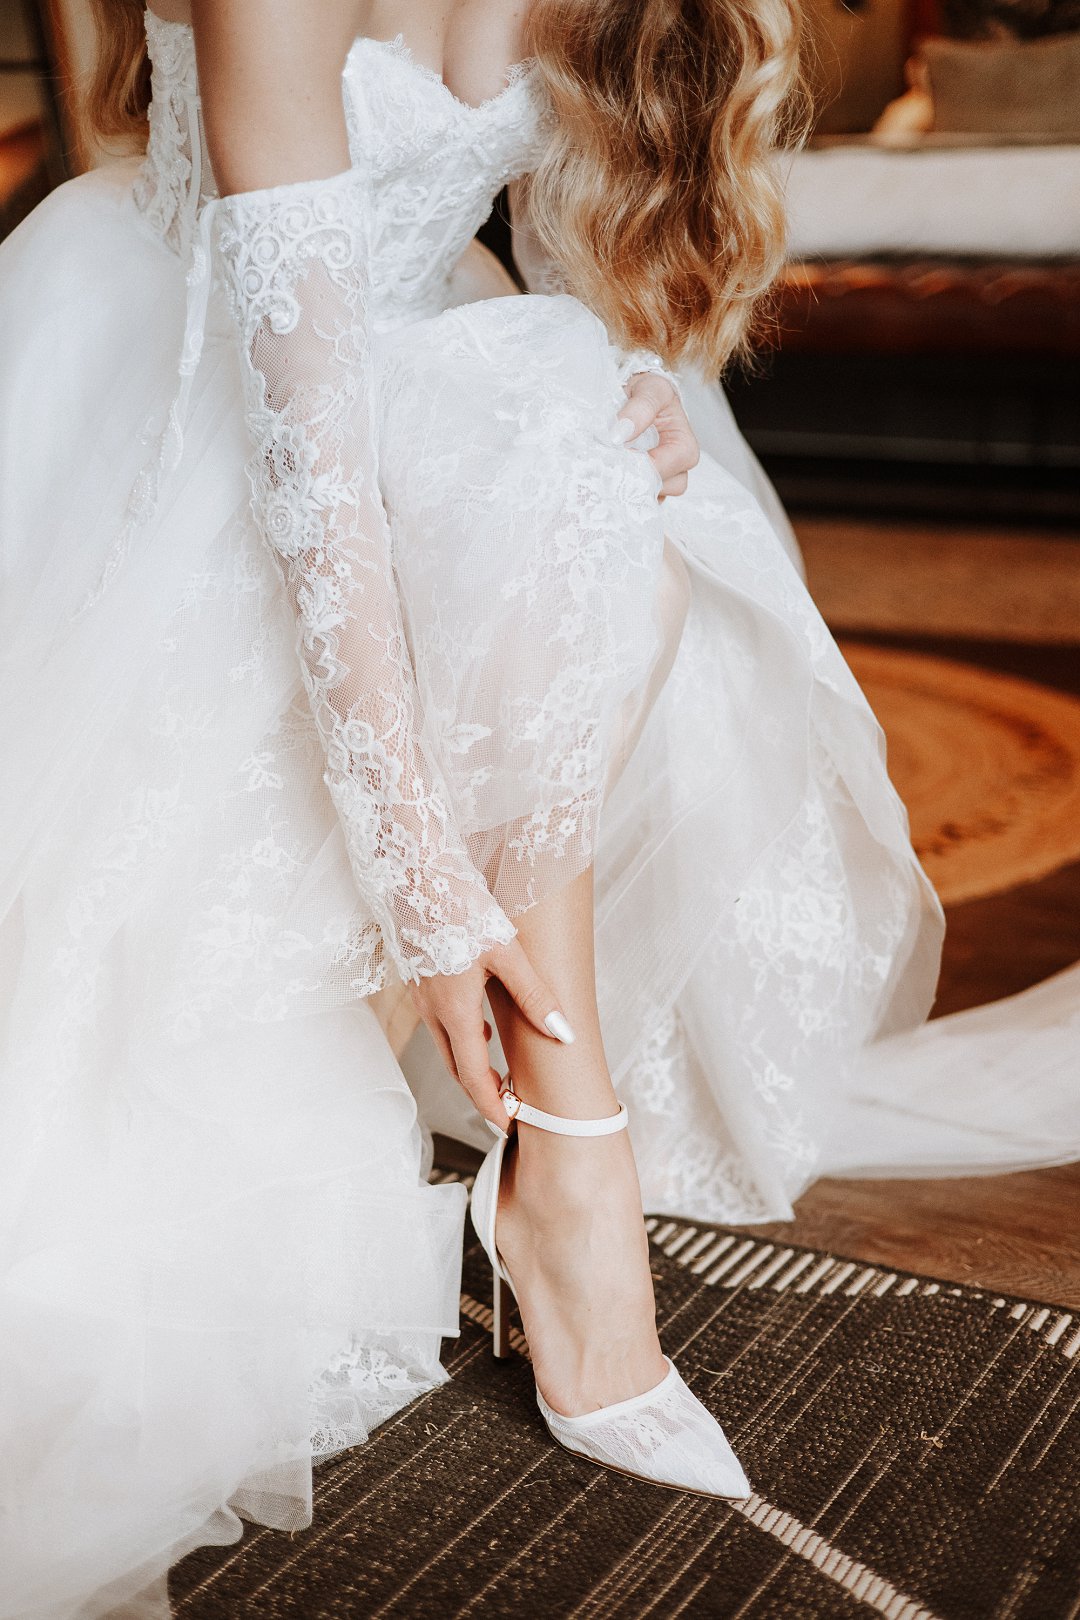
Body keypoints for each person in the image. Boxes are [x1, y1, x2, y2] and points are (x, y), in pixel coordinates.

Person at [3, 1, 1074, 1615]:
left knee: (599, 480)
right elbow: (308, 457)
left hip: (417, 374)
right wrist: (418, 880)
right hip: (203, 400)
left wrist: (627, 388)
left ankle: (561, 1153)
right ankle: (572, 1163)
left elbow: (466, 259)